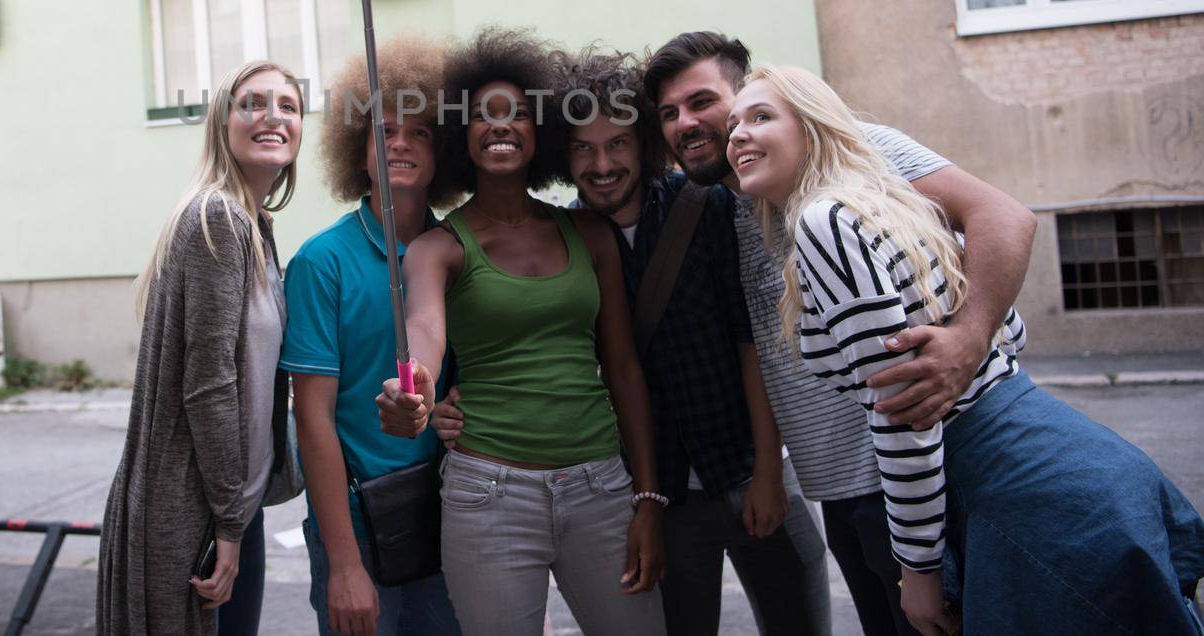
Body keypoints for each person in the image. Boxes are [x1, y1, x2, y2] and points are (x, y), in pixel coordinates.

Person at [727, 64, 1204, 636]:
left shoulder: (823, 223)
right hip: (1073, 457)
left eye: (761, 116)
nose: (737, 134)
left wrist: (919, 571)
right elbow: (1012, 331)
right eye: (734, 123)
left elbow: (905, 418)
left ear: (813, 127)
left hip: (1017, 491)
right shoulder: (881, 199)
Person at [642, 31, 1037, 636]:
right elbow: (761, 350)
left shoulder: (853, 151)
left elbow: (1004, 216)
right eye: (669, 114)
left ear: (748, 92)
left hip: (911, 477)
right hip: (840, 490)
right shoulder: (730, 203)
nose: (685, 124)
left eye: (702, 102)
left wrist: (970, 336)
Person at [434, 46, 830, 636]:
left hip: (746, 468)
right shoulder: (566, 237)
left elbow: (752, 342)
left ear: (642, 144)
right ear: (560, 156)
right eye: (583, 149)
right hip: (665, 494)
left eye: (616, 144)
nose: (602, 165)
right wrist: (452, 400)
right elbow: (532, 341)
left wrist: (769, 472)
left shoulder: (706, 206)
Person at [378, 27, 666, 636]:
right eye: (483, 115)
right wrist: (417, 391)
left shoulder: (590, 235)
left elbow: (622, 369)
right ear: (463, 136)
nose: (500, 125)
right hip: (490, 496)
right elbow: (423, 328)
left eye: (517, 114)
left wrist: (647, 497)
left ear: (543, 134)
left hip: (602, 488)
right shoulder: (438, 248)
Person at [97, 60, 304, 636]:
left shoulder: (254, 224)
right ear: (222, 123)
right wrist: (229, 527)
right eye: (253, 103)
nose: (272, 116)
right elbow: (210, 386)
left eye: (288, 106)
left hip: (232, 505)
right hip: (197, 510)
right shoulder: (216, 218)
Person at [279, 39, 463, 636]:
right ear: (357, 151)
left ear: (444, 154)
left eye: (421, 132)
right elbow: (313, 420)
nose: (402, 144)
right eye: (384, 131)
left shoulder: (465, 252)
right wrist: (344, 565)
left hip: (462, 516)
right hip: (360, 524)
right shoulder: (320, 262)